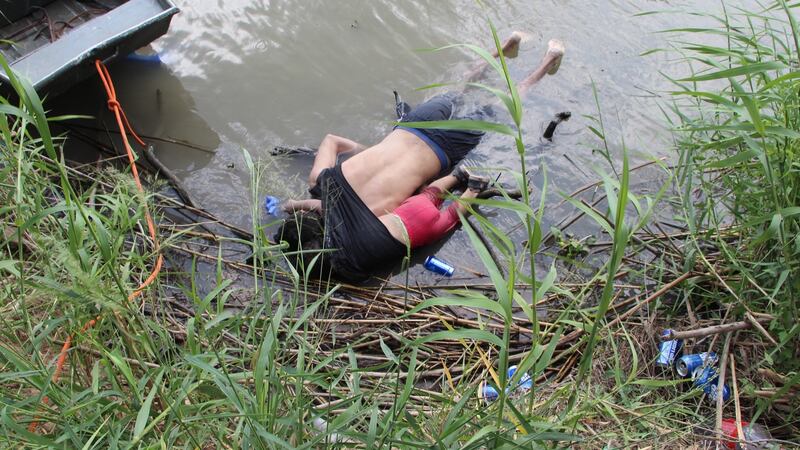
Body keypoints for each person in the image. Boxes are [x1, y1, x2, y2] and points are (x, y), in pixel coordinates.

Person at [278, 34, 565, 281]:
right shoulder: (321, 179)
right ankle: (507, 46)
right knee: (461, 87)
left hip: (442, 150)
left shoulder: (373, 221)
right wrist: (373, 152)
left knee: (502, 106)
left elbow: (416, 206)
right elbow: (331, 140)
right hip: (414, 125)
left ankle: (548, 60)